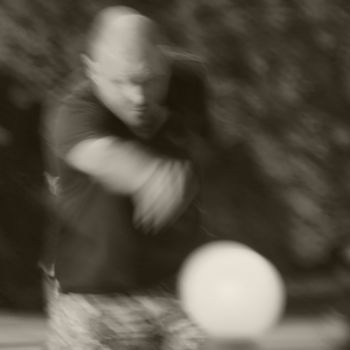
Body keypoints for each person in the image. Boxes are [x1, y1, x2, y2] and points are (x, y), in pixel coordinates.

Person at [43, 6, 211, 350]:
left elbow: (201, 140)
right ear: (92, 70)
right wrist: (146, 175)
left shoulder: (189, 81)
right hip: (92, 305)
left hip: (177, 293)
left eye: (149, 80)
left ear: (163, 61)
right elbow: (99, 154)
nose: (138, 97)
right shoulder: (71, 111)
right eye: (121, 82)